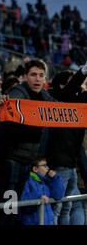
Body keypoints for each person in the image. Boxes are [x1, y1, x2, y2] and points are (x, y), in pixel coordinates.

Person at [0, 58, 56, 225]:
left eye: (41, 75)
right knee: (8, 208)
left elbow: (59, 109)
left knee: (15, 207)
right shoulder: (18, 92)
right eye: (33, 75)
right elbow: (13, 103)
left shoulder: (43, 95)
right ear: (25, 77)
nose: (38, 79)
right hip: (10, 161)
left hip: (25, 161)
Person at [46, 65, 87, 225]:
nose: (80, 88)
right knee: (58, 206)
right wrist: (82, 72)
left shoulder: (76, 104)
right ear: (62, 85)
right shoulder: (55, 99)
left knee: (71, 205)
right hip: (58, 163)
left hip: (70, 163)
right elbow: (69, 92)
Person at [19, 156, 65, 225]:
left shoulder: (45, 181)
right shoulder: (27, 181)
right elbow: (23, 199)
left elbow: (58, 195)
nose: (48, 168)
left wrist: (55, 179)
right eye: (44, 165)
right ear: (35, 169)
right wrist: (38, 197)